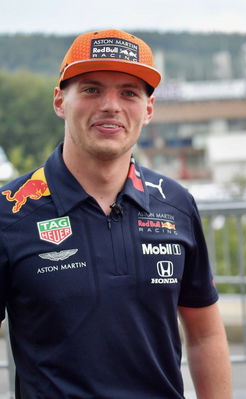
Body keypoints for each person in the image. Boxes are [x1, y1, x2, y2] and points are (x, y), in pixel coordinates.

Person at [0, 29, 231, 398]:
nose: (111, 105)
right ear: (60, 101)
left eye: (129, 93)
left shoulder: (176, 204)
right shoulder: (9, 212)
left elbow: (204, 335)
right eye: (91, 89)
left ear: (148, 109)